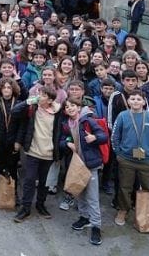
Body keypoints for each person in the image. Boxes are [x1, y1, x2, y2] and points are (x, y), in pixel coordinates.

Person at [60, 97, 108, 246]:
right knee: (79, 192)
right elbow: (61, 140)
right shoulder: (67, 124)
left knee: (92, 197)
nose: (70, 108)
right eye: (67, 107)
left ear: (79, 107)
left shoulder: (88, 121)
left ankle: (96, 226)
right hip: (77, 164)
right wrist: (67, 143)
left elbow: (103, 136)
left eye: (73, 105)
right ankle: (84, 217)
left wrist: (94, 137)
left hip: (90, 163)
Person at [111, 90, 149, 229]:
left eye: (139, 99)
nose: (136, 101)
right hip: (126, 159)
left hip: (148, 160)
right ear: (128, 101)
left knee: (148, 188)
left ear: (144, 102)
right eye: (132, 99)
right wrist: (119, 154)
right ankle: (123, 209)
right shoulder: (123, 116)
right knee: (125, 186)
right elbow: (115, 137)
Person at [14, 86, 61, 222]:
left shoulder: (57, 111)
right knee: (29, 180)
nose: (40, 96)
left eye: (44, 95)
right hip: (33, 150)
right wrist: (28, 101)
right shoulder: (33, 107)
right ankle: (25, 208)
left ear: (50, 100)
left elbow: (59, 131)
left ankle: (41, 205)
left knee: (44, 182)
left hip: (48, 152)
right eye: (39, 93)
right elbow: (15, 111)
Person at [0, 77, 26, 182]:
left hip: (13, 141)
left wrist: (18, 141)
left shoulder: (19, 103)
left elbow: (22, 125)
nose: (6, 90)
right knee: (0, 167)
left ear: (13, 89)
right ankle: (0, 192)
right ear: (0, 89)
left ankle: (13, 193)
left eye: (9, 87)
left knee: (12, 167)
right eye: (4, 87)